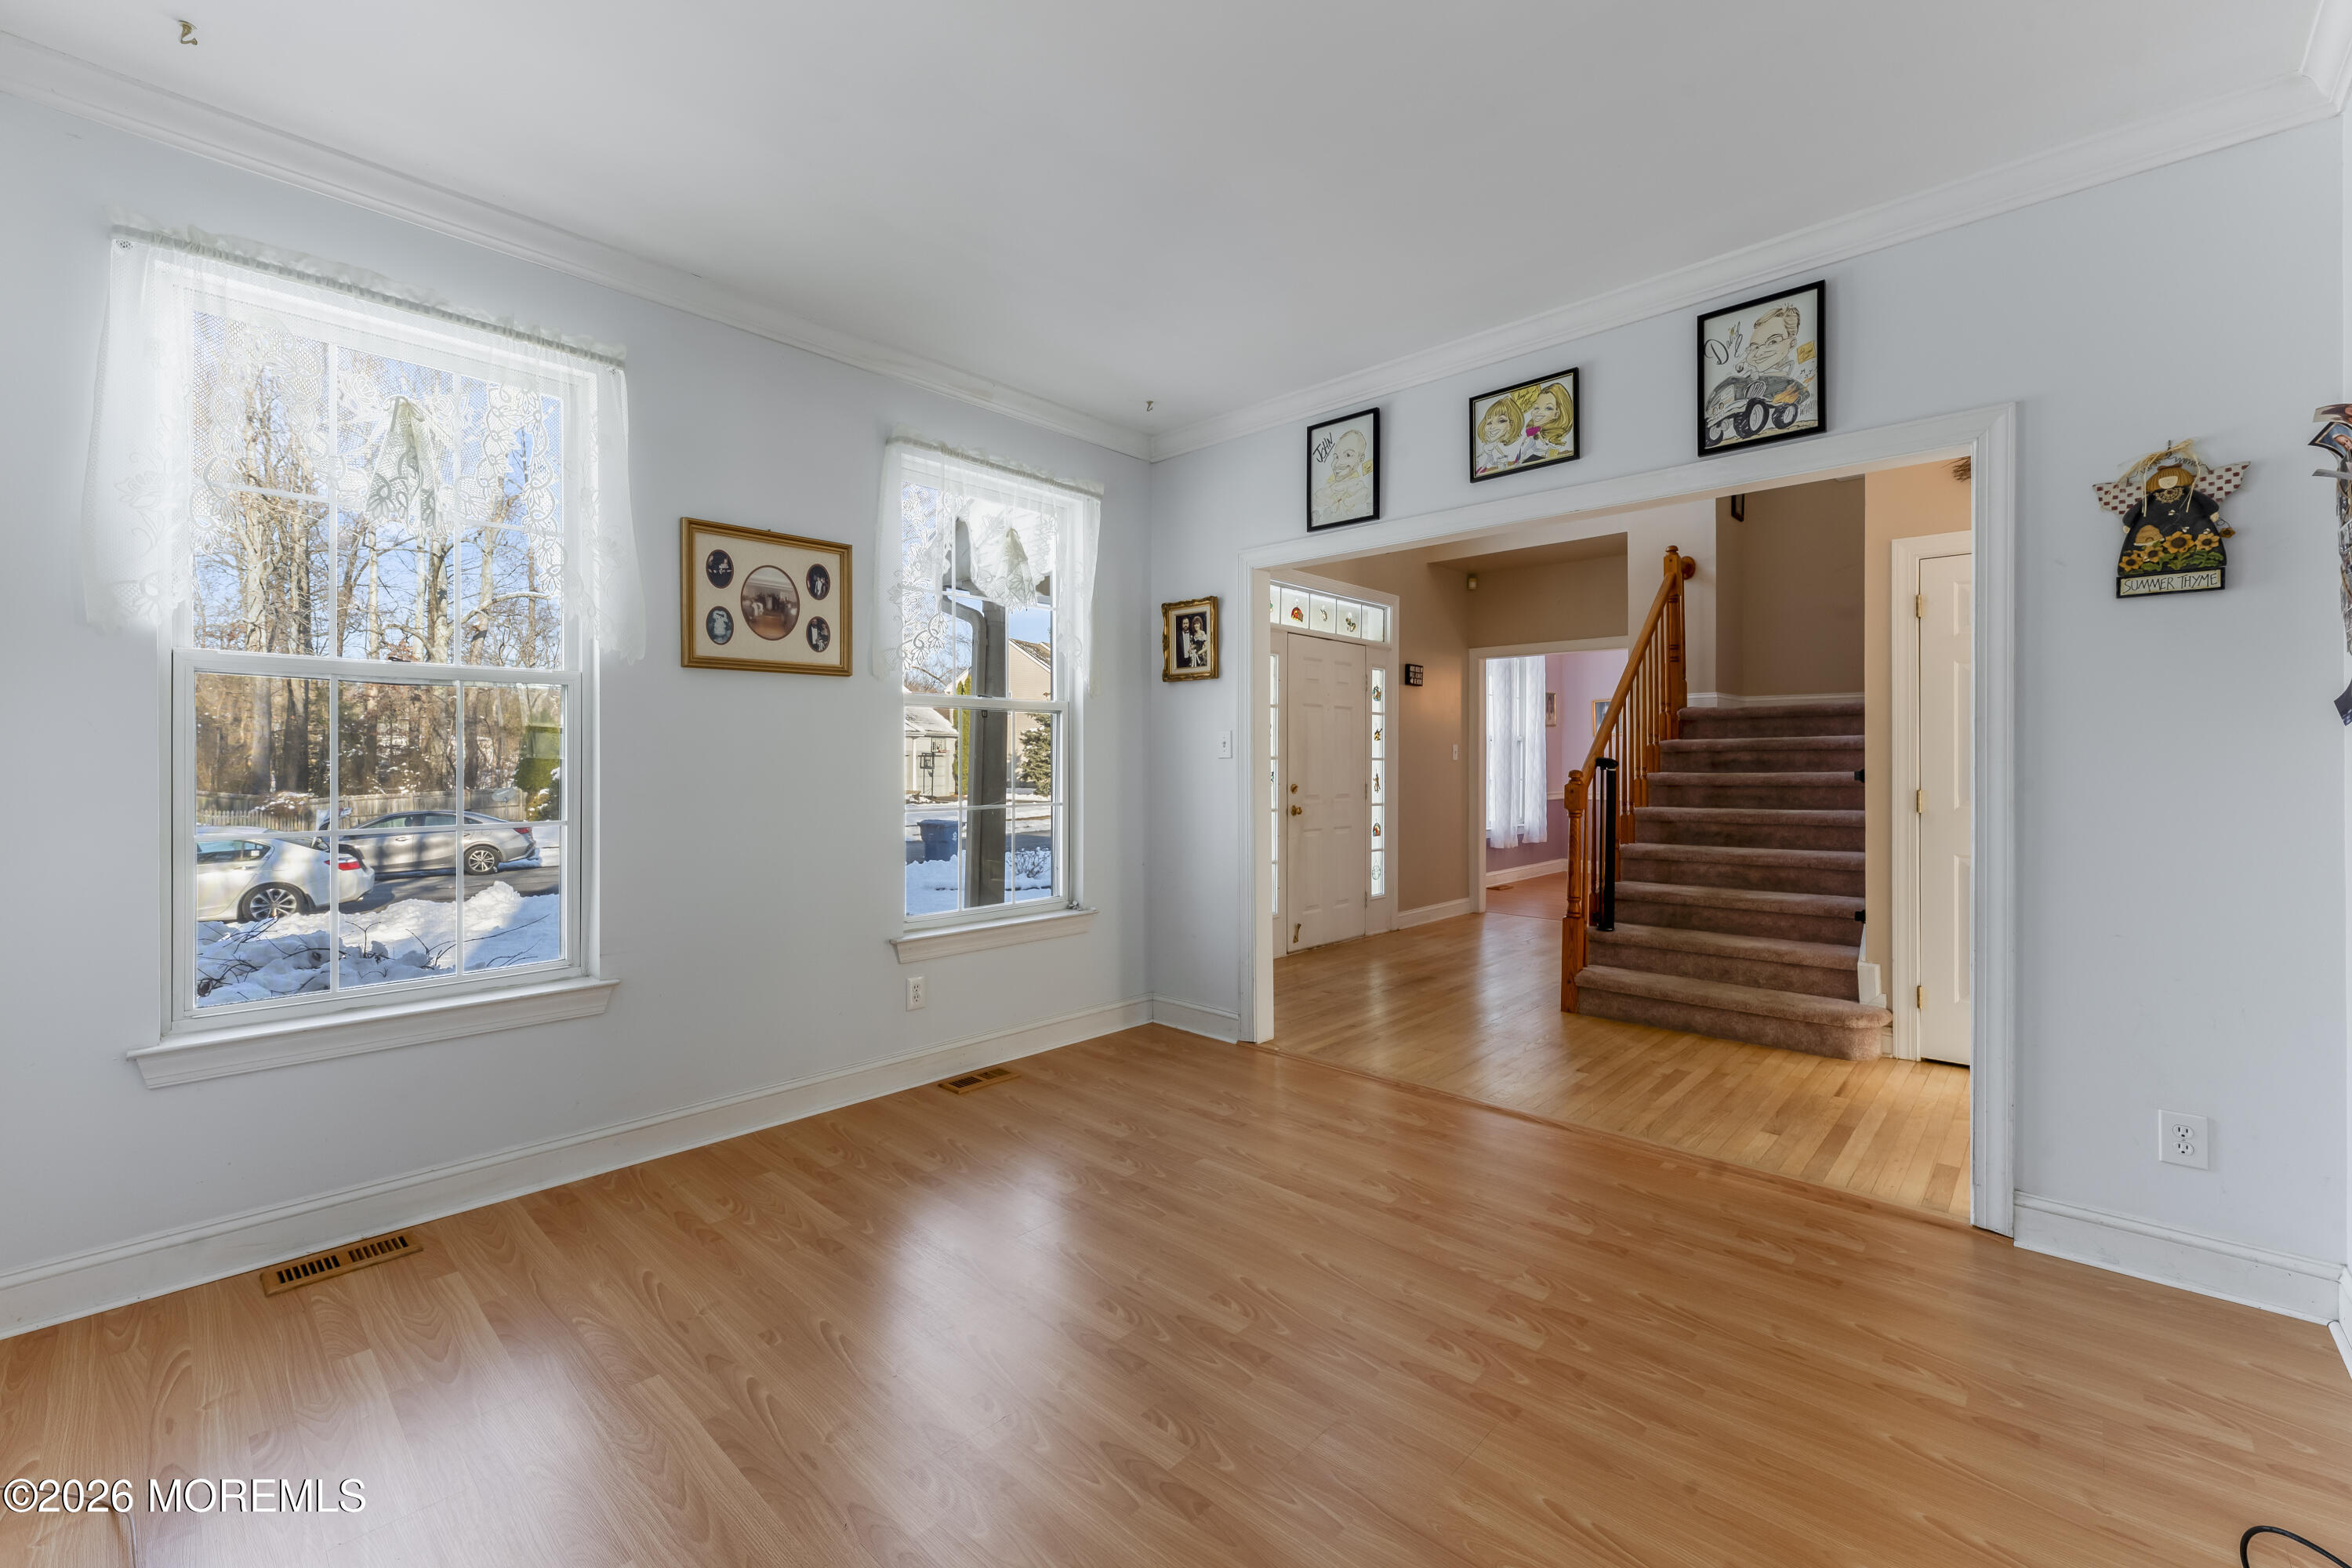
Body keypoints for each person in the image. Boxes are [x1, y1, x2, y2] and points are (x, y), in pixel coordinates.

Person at [1315, 426, 1375, 526]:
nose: (1337, 463)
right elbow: (1317, 498)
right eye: (1336, 457)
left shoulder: (1357, 482)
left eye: (1348, 455)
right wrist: (1331, 495)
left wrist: (1347, 501)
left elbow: (1364, 494)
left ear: (1361, 459)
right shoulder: (1331, 482)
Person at [1474, 394, 1525, 475]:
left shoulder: (1518, 446)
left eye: (1501, 421)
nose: (1492, 427)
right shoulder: (1485, 447)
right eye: (1489, 423)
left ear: (1511, 424)